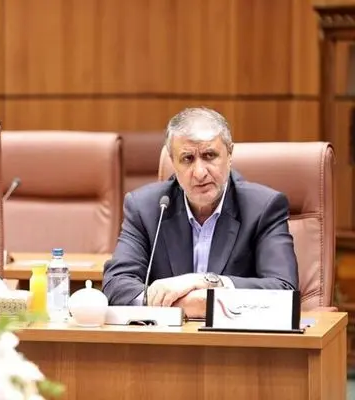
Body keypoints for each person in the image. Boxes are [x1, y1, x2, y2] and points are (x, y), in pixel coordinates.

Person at [102, 107, 298, 318]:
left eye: (209, 156)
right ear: (173, 162)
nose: (199, 172)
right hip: (169, 337)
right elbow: (115, 284)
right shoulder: (146, 207)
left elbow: (284, 289)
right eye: (187, 159)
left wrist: (205, 282)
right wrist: (184, 304)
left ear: (229, 155)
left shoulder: (263, 208)